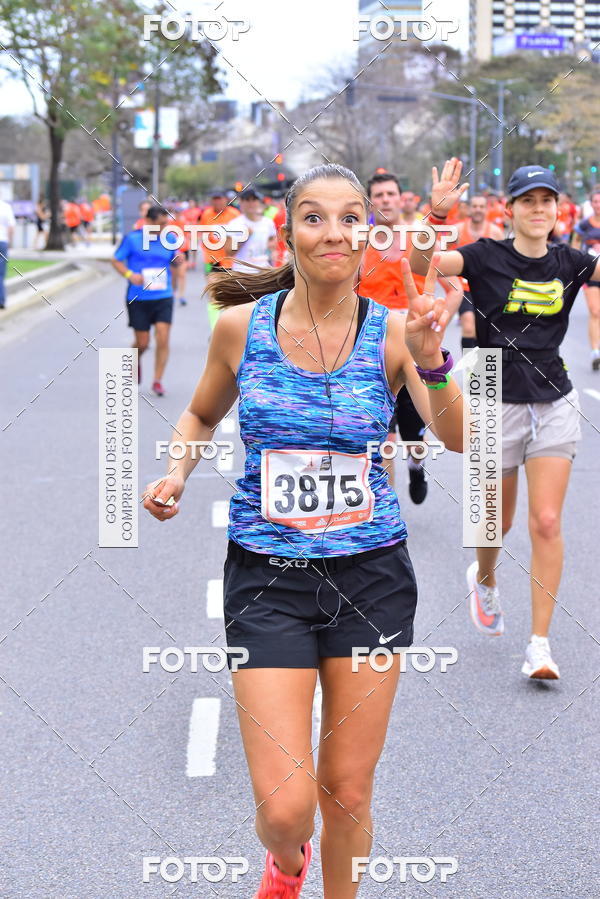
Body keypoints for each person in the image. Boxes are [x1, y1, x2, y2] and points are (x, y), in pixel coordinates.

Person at [143, 163, 464, 898]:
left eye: (351, 217)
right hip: (267, 580)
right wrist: (176, 472)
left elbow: (456, 437)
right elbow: (199, 414)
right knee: (286, 809)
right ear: (291, 231)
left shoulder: (391, 333)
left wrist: (433, 361)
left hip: (370, 580)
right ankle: (288, 862)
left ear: (366, 234)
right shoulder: (240, 328)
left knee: (347, 788)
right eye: (315, 216)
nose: (335, 231)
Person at [410, 159, 600, 680]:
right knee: (497, 521)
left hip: (555, 398)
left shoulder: (571, 262)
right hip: (491, 385)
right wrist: (435, 214)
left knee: (546, 522)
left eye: (547, 201)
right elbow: (418, 263)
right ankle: (486, 579)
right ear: (510, 210)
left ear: (558, 209)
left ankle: (539, 645)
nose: (538, 210)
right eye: (528, 202)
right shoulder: (483, 256)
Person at [359, 171, 463, 503]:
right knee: (383, 437)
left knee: (414, 438)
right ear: (370, 202)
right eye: (378, 195)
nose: (385, 200)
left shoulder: (418, 239)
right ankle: (384, 508)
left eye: (391, 194)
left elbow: (455, 288)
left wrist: (439, 315)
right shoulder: (360, 245)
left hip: (414, 349)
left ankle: (416, 467)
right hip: (374, 352)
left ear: (401, 198)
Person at [112, 205, 182, 396]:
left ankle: (157, 380)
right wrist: (129, 274)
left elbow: (174, 259)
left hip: (163, 295)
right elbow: (116, 260)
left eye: (166, 223)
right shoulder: (133, 239)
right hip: (138, 296)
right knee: (142, 343)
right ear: (148, 222)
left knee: (163, 336)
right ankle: (134, 359)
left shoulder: (170, 239)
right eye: (160, 224)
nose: (163, 227)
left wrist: (178, 261)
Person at [446, 195, 504, 351]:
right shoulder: (457, 230)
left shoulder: (495, 232)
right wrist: (452, 284)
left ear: (487, 209)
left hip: (488, 289)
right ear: (469, 209)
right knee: (469, 326)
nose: (478, 210)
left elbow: (503, 262)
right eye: (475, 206)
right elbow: (443, 256)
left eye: (481, 206)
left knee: (484, 331)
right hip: (464, 288)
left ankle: (481, 373)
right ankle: (469, 369)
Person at [198, 188, 240, 329]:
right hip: (212, 261)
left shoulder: (235, 215)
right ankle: (215, 329)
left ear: (225, 200)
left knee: (230, 296)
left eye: (219, 199)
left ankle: (229, 328)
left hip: (230, 261)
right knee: (213, 295)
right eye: (214, 199)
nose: (216, 202)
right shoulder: (206, 214)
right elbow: (203, 234)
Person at [572, 189, 600, 370]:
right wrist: (577, 258)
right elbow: (575, 242)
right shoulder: (584, 224)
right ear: (591, 204)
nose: (598, 205)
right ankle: (595, 352)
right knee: (595, 311)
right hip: (591, 271)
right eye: (595, 202)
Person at [223, 186, 277, 273]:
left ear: (259, 202)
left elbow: (272, 242)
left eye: (254, 200)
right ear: (241, 202)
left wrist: (272, 250)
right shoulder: (234, 224)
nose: (251, 203)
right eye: (247, 200)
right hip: (242, 272)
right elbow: (229, 252)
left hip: (263, 271)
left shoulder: (268, 222)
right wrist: (244, 237)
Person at [0, 197, 16, 310]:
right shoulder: (6, 207)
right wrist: (10, 242)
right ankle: (1, 299)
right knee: (1, 273)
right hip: (3, 241)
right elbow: (11, 227)